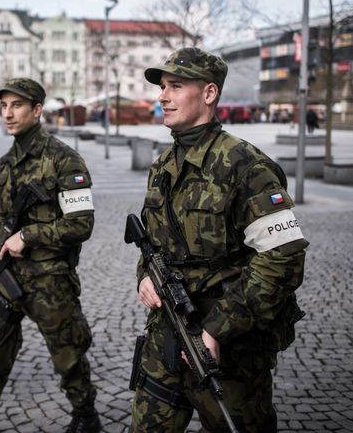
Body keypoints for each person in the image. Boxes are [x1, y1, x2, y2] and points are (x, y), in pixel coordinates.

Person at [130, 47, 308, 432]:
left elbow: (284, 258)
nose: (163, 96)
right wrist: (145, 274)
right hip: (167, 333)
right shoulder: (163, 165)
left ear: (209, 94)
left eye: (175, 86)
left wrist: (217, 328)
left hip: (228, 348)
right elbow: (152, 242)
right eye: (162, 87)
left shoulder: (246, 165)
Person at [0, 78, 101, 433]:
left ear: (37, 110)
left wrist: (29, 235)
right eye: (3, 106)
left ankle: (86, 415)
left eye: (16, 105)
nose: (8, 113)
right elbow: (2, 226)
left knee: (68, 358)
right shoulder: (5, 164)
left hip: (50, 282)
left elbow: (82, 225)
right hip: (8, 282)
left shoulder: (64, 160)